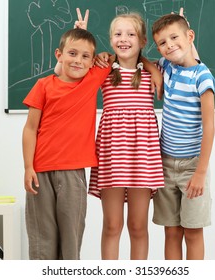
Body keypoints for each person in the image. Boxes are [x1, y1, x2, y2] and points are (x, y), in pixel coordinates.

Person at [21, 9, 114, 260]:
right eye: (72, 54)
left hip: (73, 173)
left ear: (93, 61)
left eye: (86, 57)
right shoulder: (43, 85)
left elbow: (119, 54)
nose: (78, 61)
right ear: (58, 55)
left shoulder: (91, 79)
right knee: (42, 236)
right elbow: (30, 128)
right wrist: (28, 166)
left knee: (71, 235)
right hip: (40, 171)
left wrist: (101, 53)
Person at [88, 12, 164, 260]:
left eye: (131, 34)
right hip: (112, 156)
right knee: (112, 226)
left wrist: (151, 64)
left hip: (142, 156)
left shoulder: (152, 72)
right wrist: (84, 37)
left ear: (142, 41)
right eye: (118, 34)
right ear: (110, 40)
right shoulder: (104, 70)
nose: (124, 39)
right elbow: (70, 66)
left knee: (138, 227)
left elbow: (185, 58)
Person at [151, 12, 215, 260]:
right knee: (171, 231)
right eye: (162, 42)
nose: (169, 46)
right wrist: (155, 72)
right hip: (165, 164)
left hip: (192, 167)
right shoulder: (167, 65)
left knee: (192, 232)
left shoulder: (203, 77)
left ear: (190, 36)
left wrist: (200, 172)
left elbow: (209, 127)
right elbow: (145, 61)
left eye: (174, 38)